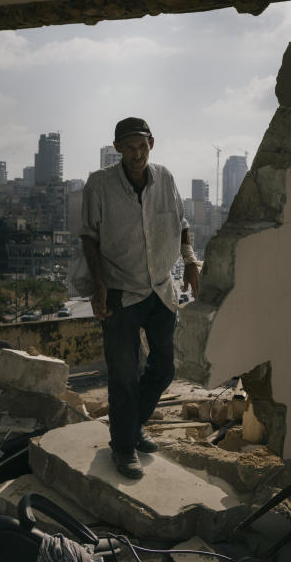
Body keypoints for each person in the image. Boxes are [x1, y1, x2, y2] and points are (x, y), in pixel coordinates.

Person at [80, 117, 200, 479]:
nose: (137, 154)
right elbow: (89, 237)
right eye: (129, 147)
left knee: (164, 367)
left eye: (142, 146)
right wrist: (98, 285)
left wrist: (191, 261)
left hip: (161, 288)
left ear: (152, 144)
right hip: (120, 289)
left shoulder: (164, 178)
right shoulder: (99, 185)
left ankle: (131, 427)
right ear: (118, 148)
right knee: (123, 373)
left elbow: (182, 225)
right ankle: (123, 447)